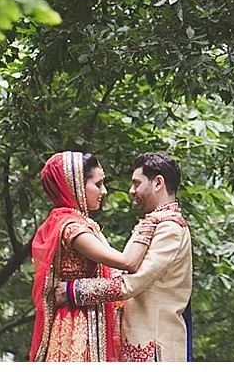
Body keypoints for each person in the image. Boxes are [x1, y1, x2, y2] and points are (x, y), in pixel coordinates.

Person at [56, 152, 193, 362]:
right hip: (139, 343)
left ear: (158, 183)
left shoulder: (170, 229)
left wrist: (74, 290)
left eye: (137, 183)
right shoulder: (153, 223)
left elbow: (132, 283)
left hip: (156, 347)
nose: (131, 191)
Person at [30, 150, 162, 362]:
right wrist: (152, 221)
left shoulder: (80, 224)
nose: (104, 190)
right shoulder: (72, 228)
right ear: (76, 188)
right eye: (98, 184)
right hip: (78, 324)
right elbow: (128, 263)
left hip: (92, 316)